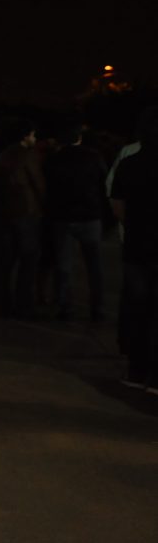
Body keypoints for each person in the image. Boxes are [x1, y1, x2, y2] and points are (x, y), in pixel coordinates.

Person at [109, 105, 158, 392]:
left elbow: (117, 204)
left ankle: (137, 371)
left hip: (137, 245)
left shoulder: (129, 163)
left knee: (138, 308)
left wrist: (137, 225)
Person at [42, 120, 108, 321]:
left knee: (64, 265)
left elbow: (47, 189)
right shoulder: (94, 157)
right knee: (94, 265)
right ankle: (98, 307)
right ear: (79, 138)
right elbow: (105, 185)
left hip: (62, 217)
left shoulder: (53, 159)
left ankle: (66, 307)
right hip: (90, 216)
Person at [0, 118, 45, 319]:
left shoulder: (3, 156)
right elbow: (38, 184)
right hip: (26, 212)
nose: (35, 139)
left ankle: (4, 304)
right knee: (28, 261)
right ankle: (25, 305)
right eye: (33, 135)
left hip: (5, 213)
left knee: (7, 262)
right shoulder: (28, 155)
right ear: (26, 136)